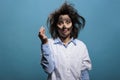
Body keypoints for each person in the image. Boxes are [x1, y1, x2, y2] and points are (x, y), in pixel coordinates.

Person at [38, 2, 92, 80]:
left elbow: (84, 74)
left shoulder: (81, 46)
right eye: (60, 23)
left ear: (72, 25)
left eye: (68, 22)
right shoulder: (49, 44)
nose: (64, 26)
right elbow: (48, 69)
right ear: (56, 26)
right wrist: (44, 42)